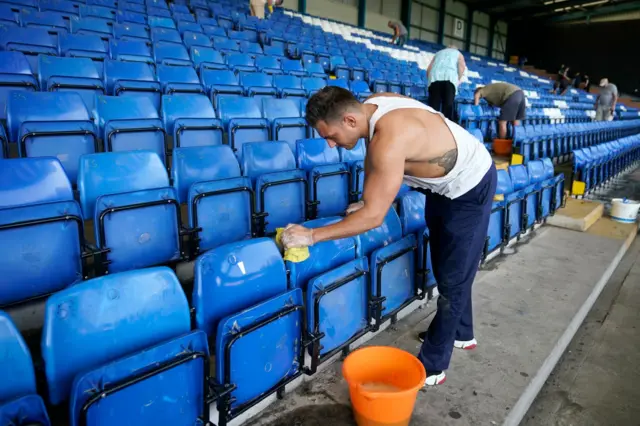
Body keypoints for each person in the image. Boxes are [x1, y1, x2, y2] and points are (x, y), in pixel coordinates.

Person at [281, 87, 496, 386]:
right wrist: (370, 198)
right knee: (451, 266)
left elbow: (373, 217)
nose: (330, 145)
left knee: (453, 280)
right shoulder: (372, 106)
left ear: (349, 120)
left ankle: (433, 365)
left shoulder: (389, 140)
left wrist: (312, 236)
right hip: (442, 185)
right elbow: (375, 161)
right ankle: (462, 331)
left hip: (470, 186)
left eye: (330, 136)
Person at [426, 46, 466, 121]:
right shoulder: (458, 54)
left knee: (433, 106)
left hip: (434, 78)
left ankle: (431, 124)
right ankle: (447, 125)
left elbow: (429, 69)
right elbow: (461, 67)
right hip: (449, 78)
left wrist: (430, 81)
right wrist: (458, 78)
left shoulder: (438, 53)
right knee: (448, 107)